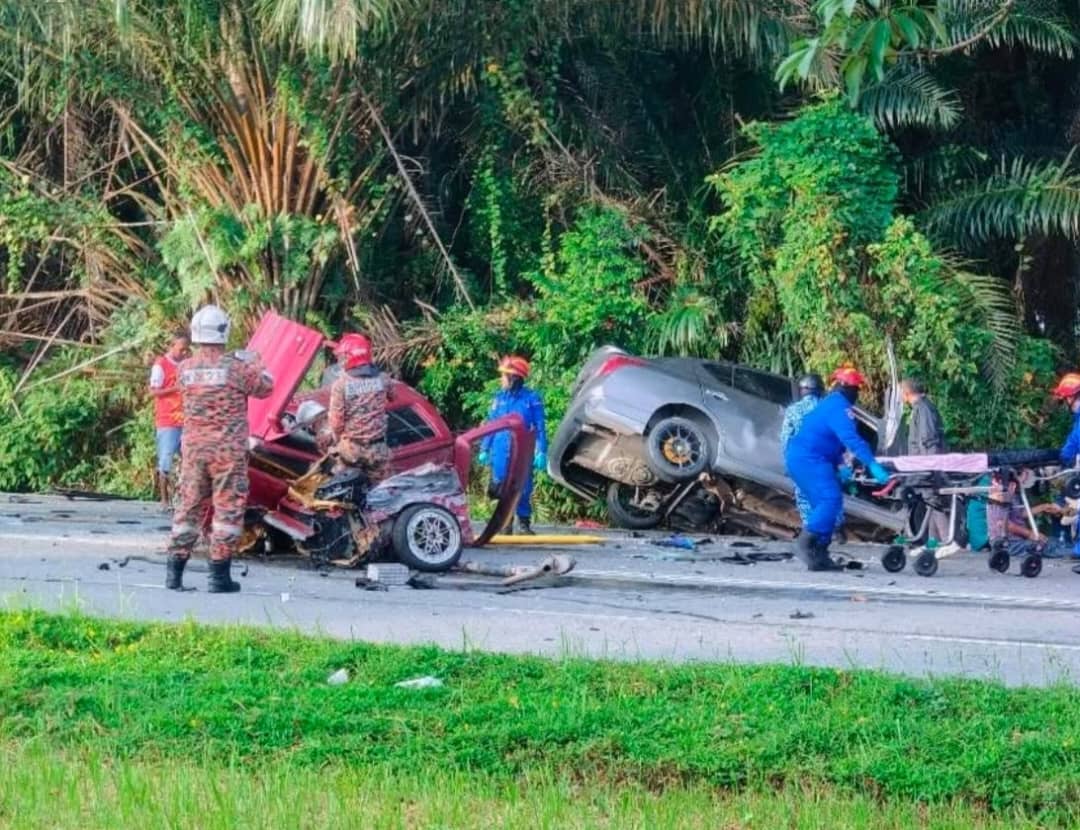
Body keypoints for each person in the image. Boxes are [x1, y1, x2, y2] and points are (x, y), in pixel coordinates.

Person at [164, 305, 273, 593]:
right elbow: (266, 388)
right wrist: (257, 364)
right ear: (224, 332)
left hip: (194, 451)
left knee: (188, 508)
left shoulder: (184, 369)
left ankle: (174, 574)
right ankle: (218, 577)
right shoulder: (236, 369)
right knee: (227, 510)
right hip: (227, 453)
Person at [784, 366, 891, 571]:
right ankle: (805, 543)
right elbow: (851, 439)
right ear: (848, 388)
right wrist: (872, 464)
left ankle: (819, 555)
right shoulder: (839, 408)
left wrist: (841, 465)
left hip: (804, 458)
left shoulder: (829, 404)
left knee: (824, 506)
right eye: (856, 389)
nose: (857, 394)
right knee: (830, 499)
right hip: (810, 459)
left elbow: (830, 441)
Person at [479, 355, 547, 535]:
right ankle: (505, 523)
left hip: (522, 449)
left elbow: (540, 427)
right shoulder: (498, 399)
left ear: (514, 378)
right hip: (501, 449)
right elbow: (491, 425)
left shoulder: (532, 399)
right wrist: (485, 448)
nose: (501, 379)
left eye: (504, 375)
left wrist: (541, 451)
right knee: (500, 486)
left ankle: (523, 523)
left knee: (523, 487)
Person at [781, 373, 846, 535]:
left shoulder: (793, 411)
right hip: (825, 463)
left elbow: (786, 439)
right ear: (820, 390)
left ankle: (810, 531)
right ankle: (835, 528)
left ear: (802, 390)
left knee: (804, 496)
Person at [901, 377, 956, 552]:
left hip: (927, 463)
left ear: (907, 393)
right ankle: (933, 542)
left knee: (933, 500)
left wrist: (929, 466)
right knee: (929, 501)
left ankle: (948, 540)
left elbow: (928, 439)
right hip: (922, 463)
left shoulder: (923, 409)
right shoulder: (920, 408)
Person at [328, 333, 392, 481]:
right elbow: (393, 397)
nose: (340, 361)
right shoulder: (383, 379)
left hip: (351, 450)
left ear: (351, 357)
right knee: (380, 492)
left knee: (348, 492)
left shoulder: (340, 385)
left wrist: (337, 439)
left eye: (343, 357)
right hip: (378, 449)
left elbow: (336, 423)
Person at [148, 331, 190, 509]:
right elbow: (153, 391)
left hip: (186, 420)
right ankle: (164, 500)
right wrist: (175, 388)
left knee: (189, 460)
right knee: (165, 460)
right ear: (172, 346)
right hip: (167, 421)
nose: (184, 353)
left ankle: (185, 499)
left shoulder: (187, 365)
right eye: (181, 349)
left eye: (186, 350)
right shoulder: (161, 365)